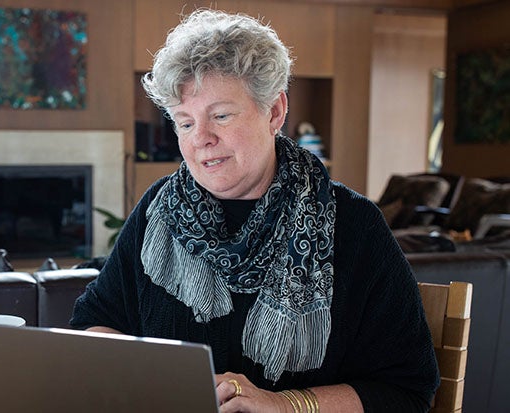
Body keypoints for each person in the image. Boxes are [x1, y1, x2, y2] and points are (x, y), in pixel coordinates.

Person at [71, 9, 439, 412]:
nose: (202, 140)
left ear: (275, 112)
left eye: (221, 115)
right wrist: (143, 379)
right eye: (185, 123)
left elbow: (408, 388)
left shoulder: (352, 224)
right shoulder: (158, 210)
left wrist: (284, 405)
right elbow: (96, 320)